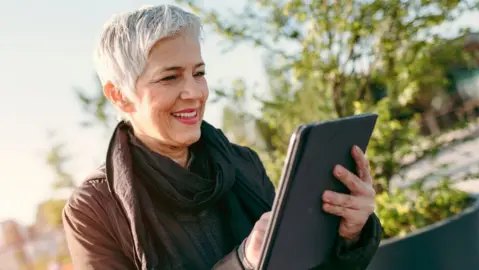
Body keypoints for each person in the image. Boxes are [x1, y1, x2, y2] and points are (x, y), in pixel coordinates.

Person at [62, 4, 382, 270]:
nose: (194, 92)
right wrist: (241, 264)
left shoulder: (244, 163)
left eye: (198, 73)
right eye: (170, 77)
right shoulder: (92, 210)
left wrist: (349, 234)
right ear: (119, 96)